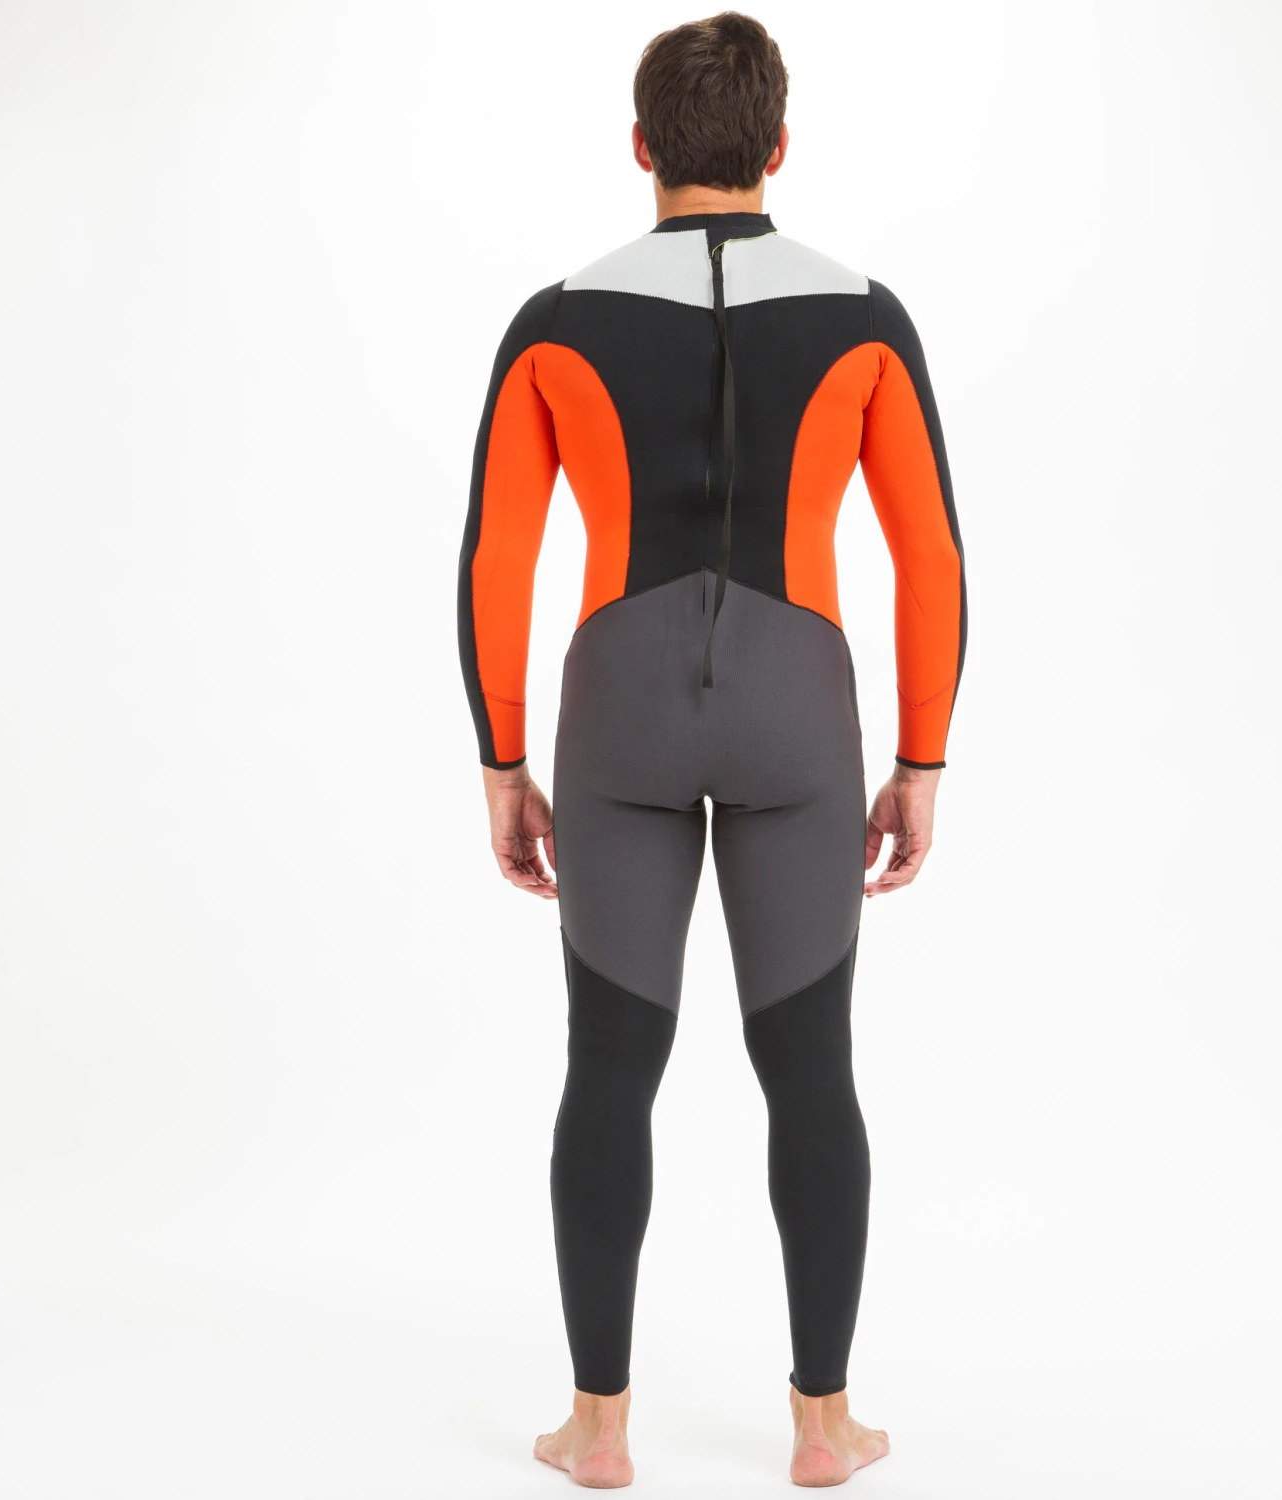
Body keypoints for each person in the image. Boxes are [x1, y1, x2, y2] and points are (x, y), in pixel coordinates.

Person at [457, 12, 964, 1488]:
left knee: (610, 1065)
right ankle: (823, 1426)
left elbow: (497, 556)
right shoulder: (864, 314)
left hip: (616, 706)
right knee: (810, 1066)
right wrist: (921, 760)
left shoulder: (556, 320)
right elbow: (928, 554)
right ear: (779, 146)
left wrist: (503, 762)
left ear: (640, 147)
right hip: (798, 709)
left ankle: (599, 1428)